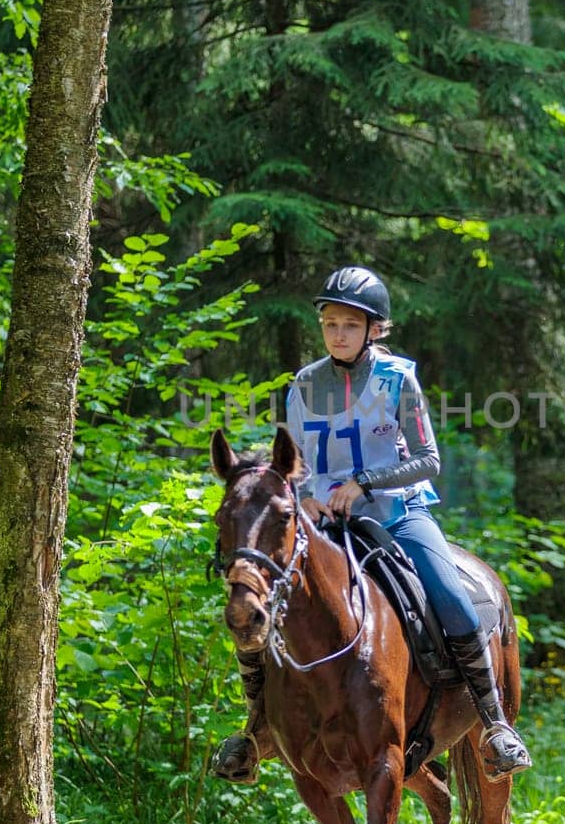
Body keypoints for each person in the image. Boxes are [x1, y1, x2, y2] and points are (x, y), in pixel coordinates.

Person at [219, 265, 531, 782]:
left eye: (349, 325)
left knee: (451, 598)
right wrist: (311, 497)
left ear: (373, 329)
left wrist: (364, 482)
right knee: (259, 601)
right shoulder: (304, 384)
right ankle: (256, 729)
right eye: (329, 324)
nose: (337, 334)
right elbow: (293, 465)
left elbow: (428, 458)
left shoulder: (397, 379)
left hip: (398, 513)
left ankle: (496, 726)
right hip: (324, 523)